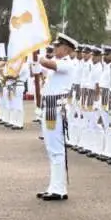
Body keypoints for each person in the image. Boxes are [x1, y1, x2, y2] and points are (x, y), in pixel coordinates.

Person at [36, 33, 78, 201]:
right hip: (49, 109)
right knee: (51, 150)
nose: (54, 48)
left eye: (57, 46)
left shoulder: (68, 64)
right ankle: (54, 187)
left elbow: (46, 63)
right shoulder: (58, 65)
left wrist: (39, 53)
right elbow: (39, 70)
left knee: (56, 150)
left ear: (66, 49)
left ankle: (59, 190)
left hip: (56, 110)